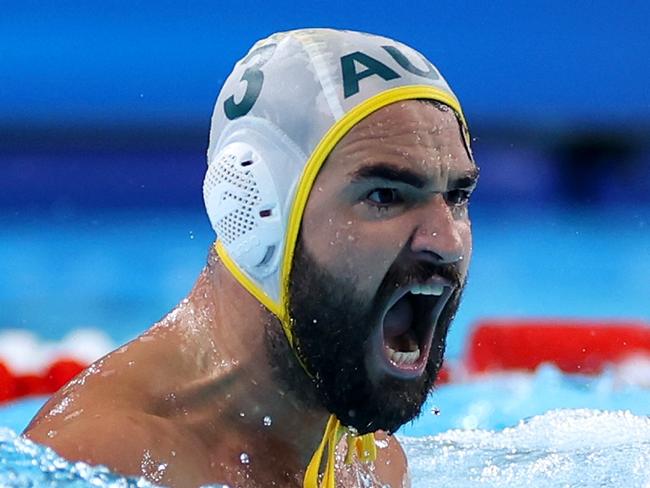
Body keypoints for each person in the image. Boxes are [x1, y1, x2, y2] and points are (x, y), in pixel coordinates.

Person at [24, 28, 478, 487]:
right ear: (258, 211)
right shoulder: (107, 459)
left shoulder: (369, 461)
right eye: (385, 195)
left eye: (457, 196)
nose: (448, 240)